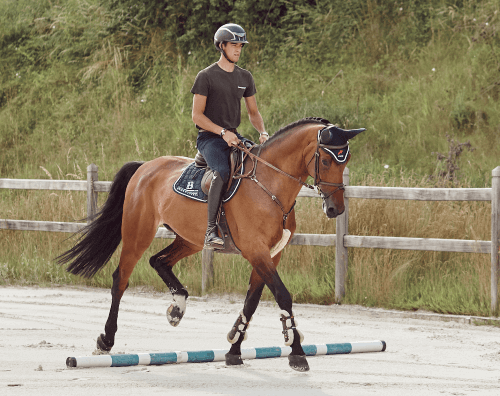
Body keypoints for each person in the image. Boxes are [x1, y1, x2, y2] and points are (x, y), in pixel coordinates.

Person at [191, 23, 268, 250]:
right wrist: (222, 132)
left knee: (258, 164)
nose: (238, 49)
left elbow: (253, 113)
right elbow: (197, 116)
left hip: (234, 135)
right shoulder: (205, 76)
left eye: (240, 45)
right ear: (221, 46)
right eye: (234, 45)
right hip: (210, 138)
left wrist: (262, 132)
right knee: (223, 171)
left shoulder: (245, 76)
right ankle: (210, 231)